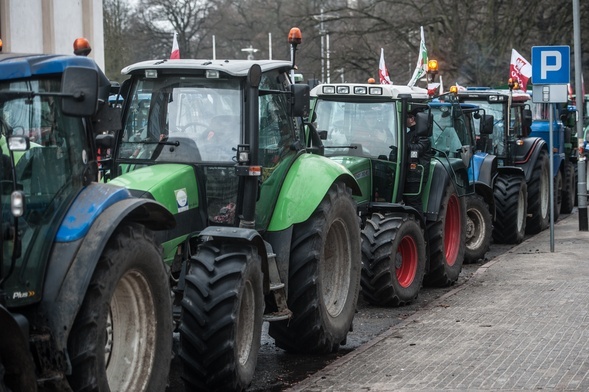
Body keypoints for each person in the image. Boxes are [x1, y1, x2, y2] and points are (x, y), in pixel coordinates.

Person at [404, 111, 432, 214]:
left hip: (416, 174)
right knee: (407, 201)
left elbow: (418, 149)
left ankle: (419, 226)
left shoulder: (423, 137)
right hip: (408, 173)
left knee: (413, 201)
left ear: (412, 119)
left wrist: (403, 145)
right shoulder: (408, 134)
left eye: (406, 117)